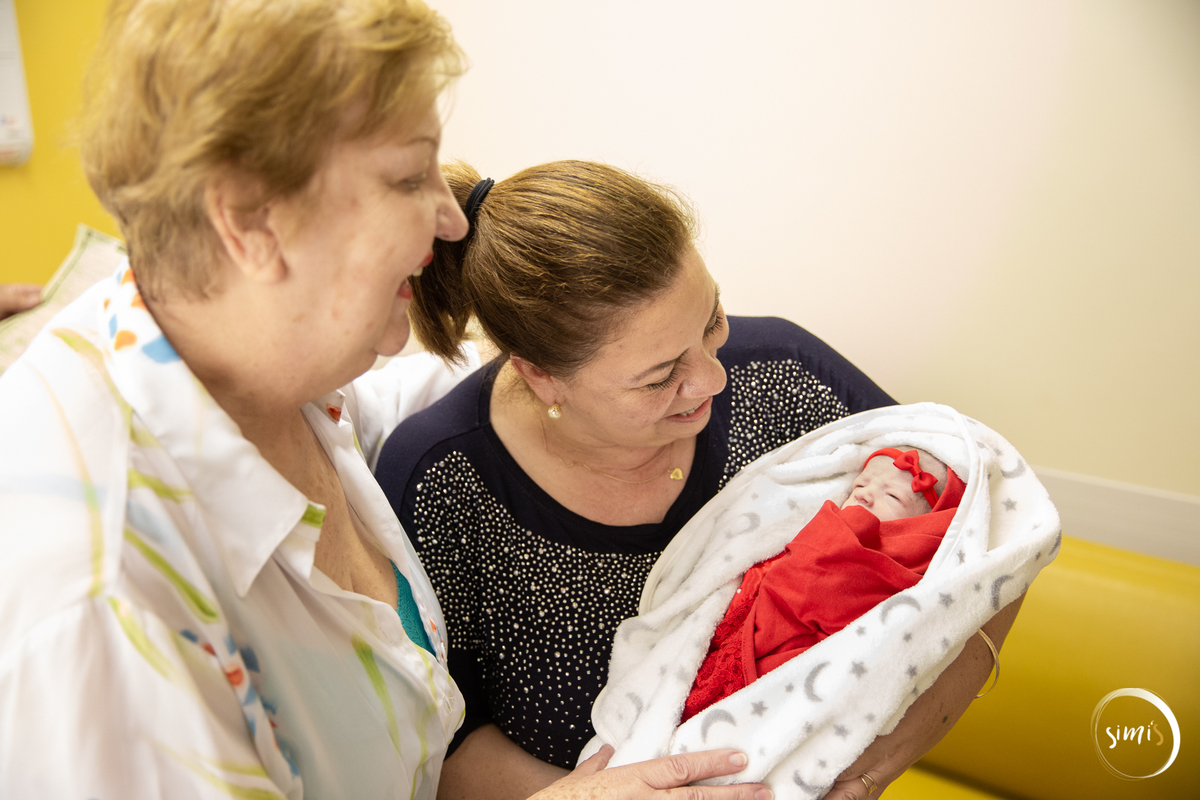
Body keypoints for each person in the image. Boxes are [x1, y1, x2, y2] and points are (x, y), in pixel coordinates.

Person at [0, 3, 768, 799]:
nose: (450, 218)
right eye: (408, 177)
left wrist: (588, 355)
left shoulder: (262, 369)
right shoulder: (104, 617)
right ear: (251, 221)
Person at [376, 160, 1023, 800]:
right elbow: (441, 740)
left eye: (712, 320)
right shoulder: (441, 483)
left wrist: (867, 773)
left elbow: (995, 534)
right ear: (541, 376)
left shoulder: (787, 374)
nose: (714, 379)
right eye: (660, 377)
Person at [682, 447, 965, 722]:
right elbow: (793, 574)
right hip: (758, 631)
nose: (864, 495)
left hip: (800, 678)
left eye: (892, 496)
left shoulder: (918, 575)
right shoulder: (831, 527)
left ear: (926, 524)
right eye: (860, 485)